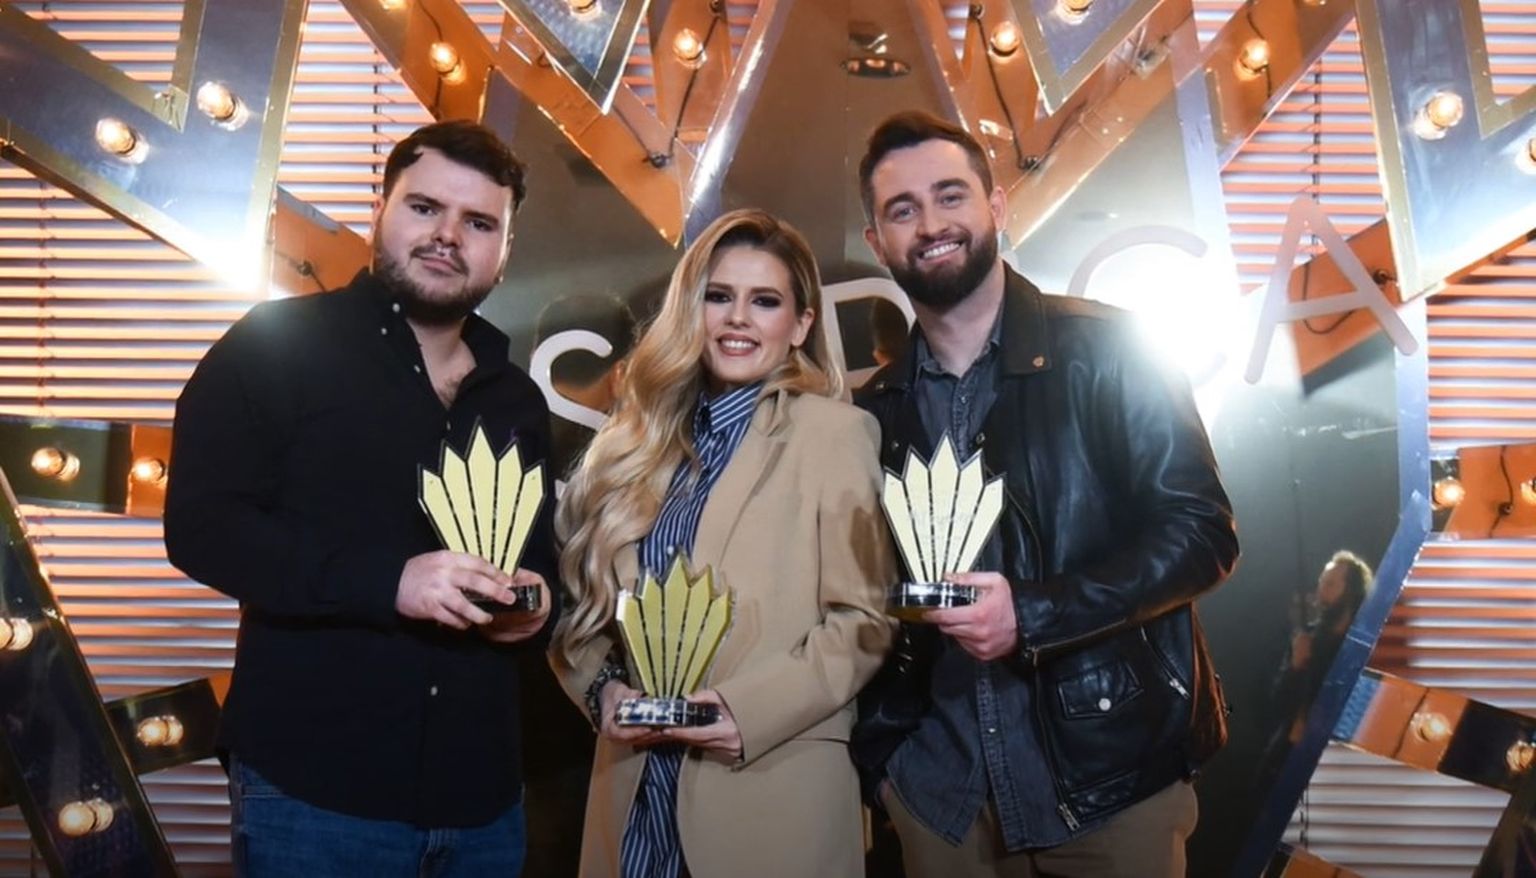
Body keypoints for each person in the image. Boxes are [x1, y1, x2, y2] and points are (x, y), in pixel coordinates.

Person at [850, 110, 1239, 877]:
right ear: (877, 242)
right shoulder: (873, 411)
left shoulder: (1112, 349)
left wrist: (1032, 614)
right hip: (939, 800)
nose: (931, 225)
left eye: (950, 196)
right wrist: (885, 764)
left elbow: (1202, 534)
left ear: (996, 205)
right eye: (903, 210)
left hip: (1109, 784)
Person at [164, 120, 556, 877]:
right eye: (425, 208)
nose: (448, 236)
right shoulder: (274, 345)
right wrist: (391, 582)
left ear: (505, 252)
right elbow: (202, 526)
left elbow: (539, 562)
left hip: (484, 803)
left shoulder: (516, 398)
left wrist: (534, 608)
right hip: (316, 795)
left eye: (479, 223)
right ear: (381, 211)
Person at [551, 208, 895, 878]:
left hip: (770, 791)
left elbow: (864, 621)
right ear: (692, 310)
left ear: (800, 324)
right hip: (634, 794)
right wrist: (602, 693)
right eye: (718, 296)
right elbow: (577, 607)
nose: (738, 318)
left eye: (765, 301)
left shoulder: (834, 435)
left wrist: (747, 713)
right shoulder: (635, 442)